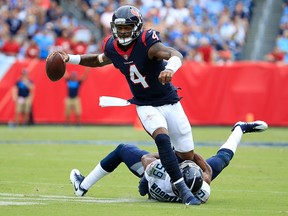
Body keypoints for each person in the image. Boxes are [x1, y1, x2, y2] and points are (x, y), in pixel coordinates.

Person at [49, 5, 202, 205]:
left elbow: (175, 54)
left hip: (170, 101)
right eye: (119, 28)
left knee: (186, 156)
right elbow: (98, 60)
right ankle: (184, 191)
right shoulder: (112, 47)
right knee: (162, 139)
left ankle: (150, 170)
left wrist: (170, 70)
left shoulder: (149, 44)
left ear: (137, 27)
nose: (122, 32)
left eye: (127, 27)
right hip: (146, 104)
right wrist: (70, 58)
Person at [70, 120, 268, 204]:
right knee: (222, 160)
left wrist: (172, 154)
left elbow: (146, 159)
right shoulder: (202, 190)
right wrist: (191, 157)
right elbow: (206, 171)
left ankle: (83, 186)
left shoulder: (161, 174)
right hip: (178, 179)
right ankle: (240, 128)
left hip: (155, 178)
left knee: (122, 149)